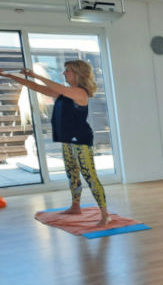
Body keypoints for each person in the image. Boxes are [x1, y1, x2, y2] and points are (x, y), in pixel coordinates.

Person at [0, 61, 109, 226]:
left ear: (78, 73)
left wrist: (36, 75)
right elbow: (37, 88)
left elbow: (60, 89)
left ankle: (104, 215)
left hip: (81, 141)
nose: (64, 73)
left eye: (68, 71)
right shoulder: (65, 93)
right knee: (72, 174)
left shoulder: (80, 92)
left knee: (90, 176)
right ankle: (75, 206)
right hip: (67, 139)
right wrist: (10, 76)